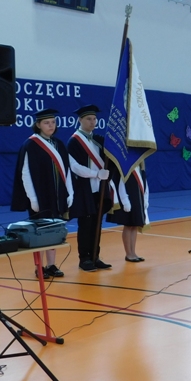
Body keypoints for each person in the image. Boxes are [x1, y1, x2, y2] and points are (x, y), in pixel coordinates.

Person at [10, 109, 73, 279]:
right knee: (39, 233)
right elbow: (25, 173)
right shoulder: (30, 145)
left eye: (53, 122)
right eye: (46, 123)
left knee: (54, 230)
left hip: (57, 195)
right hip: (40, 196)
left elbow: (66, 170)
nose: (51, 126)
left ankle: (51, 265)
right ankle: (39, 267)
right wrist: (33, 198)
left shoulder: (59, 144)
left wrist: (70, 192)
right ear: (38, 125)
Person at [67, 105, 115, 272]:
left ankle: (95, 256)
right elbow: (74, 167)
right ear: (80, 120)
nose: (92, 122)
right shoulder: (74, 142)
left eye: (94, 119)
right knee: (85, 224)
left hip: (99, 189)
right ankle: (84, 258)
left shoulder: (99, 140)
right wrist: (96, 174)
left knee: (96, 224)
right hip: (84, 190)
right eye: (88, 119)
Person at [106, 162, 149, 261]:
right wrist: (125, 201)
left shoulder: (141, 170)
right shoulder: (127, 168)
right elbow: (121, 185)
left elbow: (145, 185)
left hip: (138, 200)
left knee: (134, 226)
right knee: (128, 225)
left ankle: (133, 252)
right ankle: (128, 253)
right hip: (129, 200)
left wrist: (146, 199)